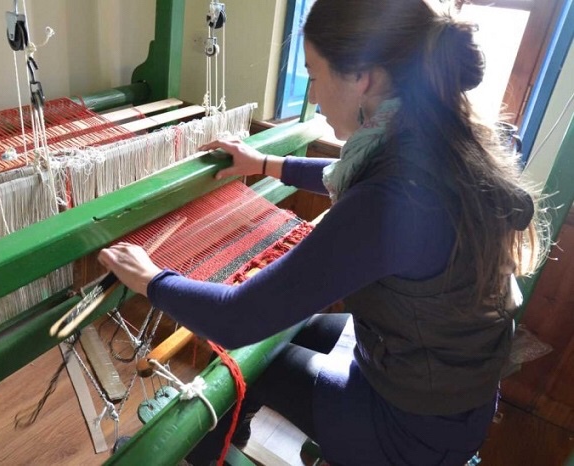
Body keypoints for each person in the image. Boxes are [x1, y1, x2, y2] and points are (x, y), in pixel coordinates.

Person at [98, 0, 548, 464]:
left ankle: (204, 455)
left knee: (238, 365)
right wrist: (265, 163)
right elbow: (351, 175)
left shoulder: (392, 199)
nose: (312, 95)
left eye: (314, 74)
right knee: (294, 331)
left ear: (363, 77)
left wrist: (151, 278)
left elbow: (238, 319)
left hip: (409, 432)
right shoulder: (438, 139)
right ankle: (231, 437)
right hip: (444, 392)